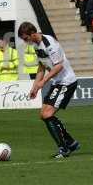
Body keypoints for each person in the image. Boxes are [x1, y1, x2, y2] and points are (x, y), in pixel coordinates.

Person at [18, 22, 80, 158]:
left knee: (47, 114)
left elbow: (59, 66)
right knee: (43, 114)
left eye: (25, 38)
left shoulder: (48, 42)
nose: (25, 41)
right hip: (57, 82)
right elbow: (41, 66)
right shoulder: (35, 44)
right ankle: (71, 143)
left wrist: (43, 82)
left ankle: (64, 149)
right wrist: (35, 86)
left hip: (66, 82)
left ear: (33, 34)